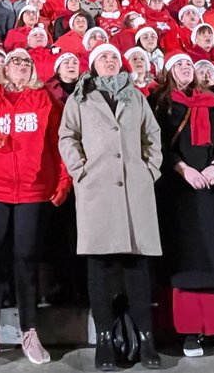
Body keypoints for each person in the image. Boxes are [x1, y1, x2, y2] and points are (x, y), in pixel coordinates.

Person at [0, 49, 70, 367]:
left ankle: (29, 332)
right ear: (4, 69)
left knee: (26, 260)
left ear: (33, 70)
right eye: (14, 62)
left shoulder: (45, 100)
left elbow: (62, 141)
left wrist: (64, 178)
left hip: (33, 190)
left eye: (25, 62)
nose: (19, 66)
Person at [58, 44, 163, 371]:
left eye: (114, 57)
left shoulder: (136, 97)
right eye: (103, 56)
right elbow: (67, 137)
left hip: (135, 191)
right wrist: (81, 171)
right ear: (92, 64)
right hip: (97, 190)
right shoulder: (80, 97)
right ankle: (104, 340)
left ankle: (146, 339)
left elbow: (152, 137)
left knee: (137, 269)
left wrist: (150, 170)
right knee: (100, 269)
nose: (110, 60)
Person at [151, 54, 214, 358]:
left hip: (213, 186)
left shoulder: (213, 103)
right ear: (168, 71)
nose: (185, 69)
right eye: (178, 65)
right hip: (179, 189)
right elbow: (159, 145)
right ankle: (191, 330)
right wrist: (183, 169)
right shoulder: (162, 105)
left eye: (188, 66)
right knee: (188, 257)